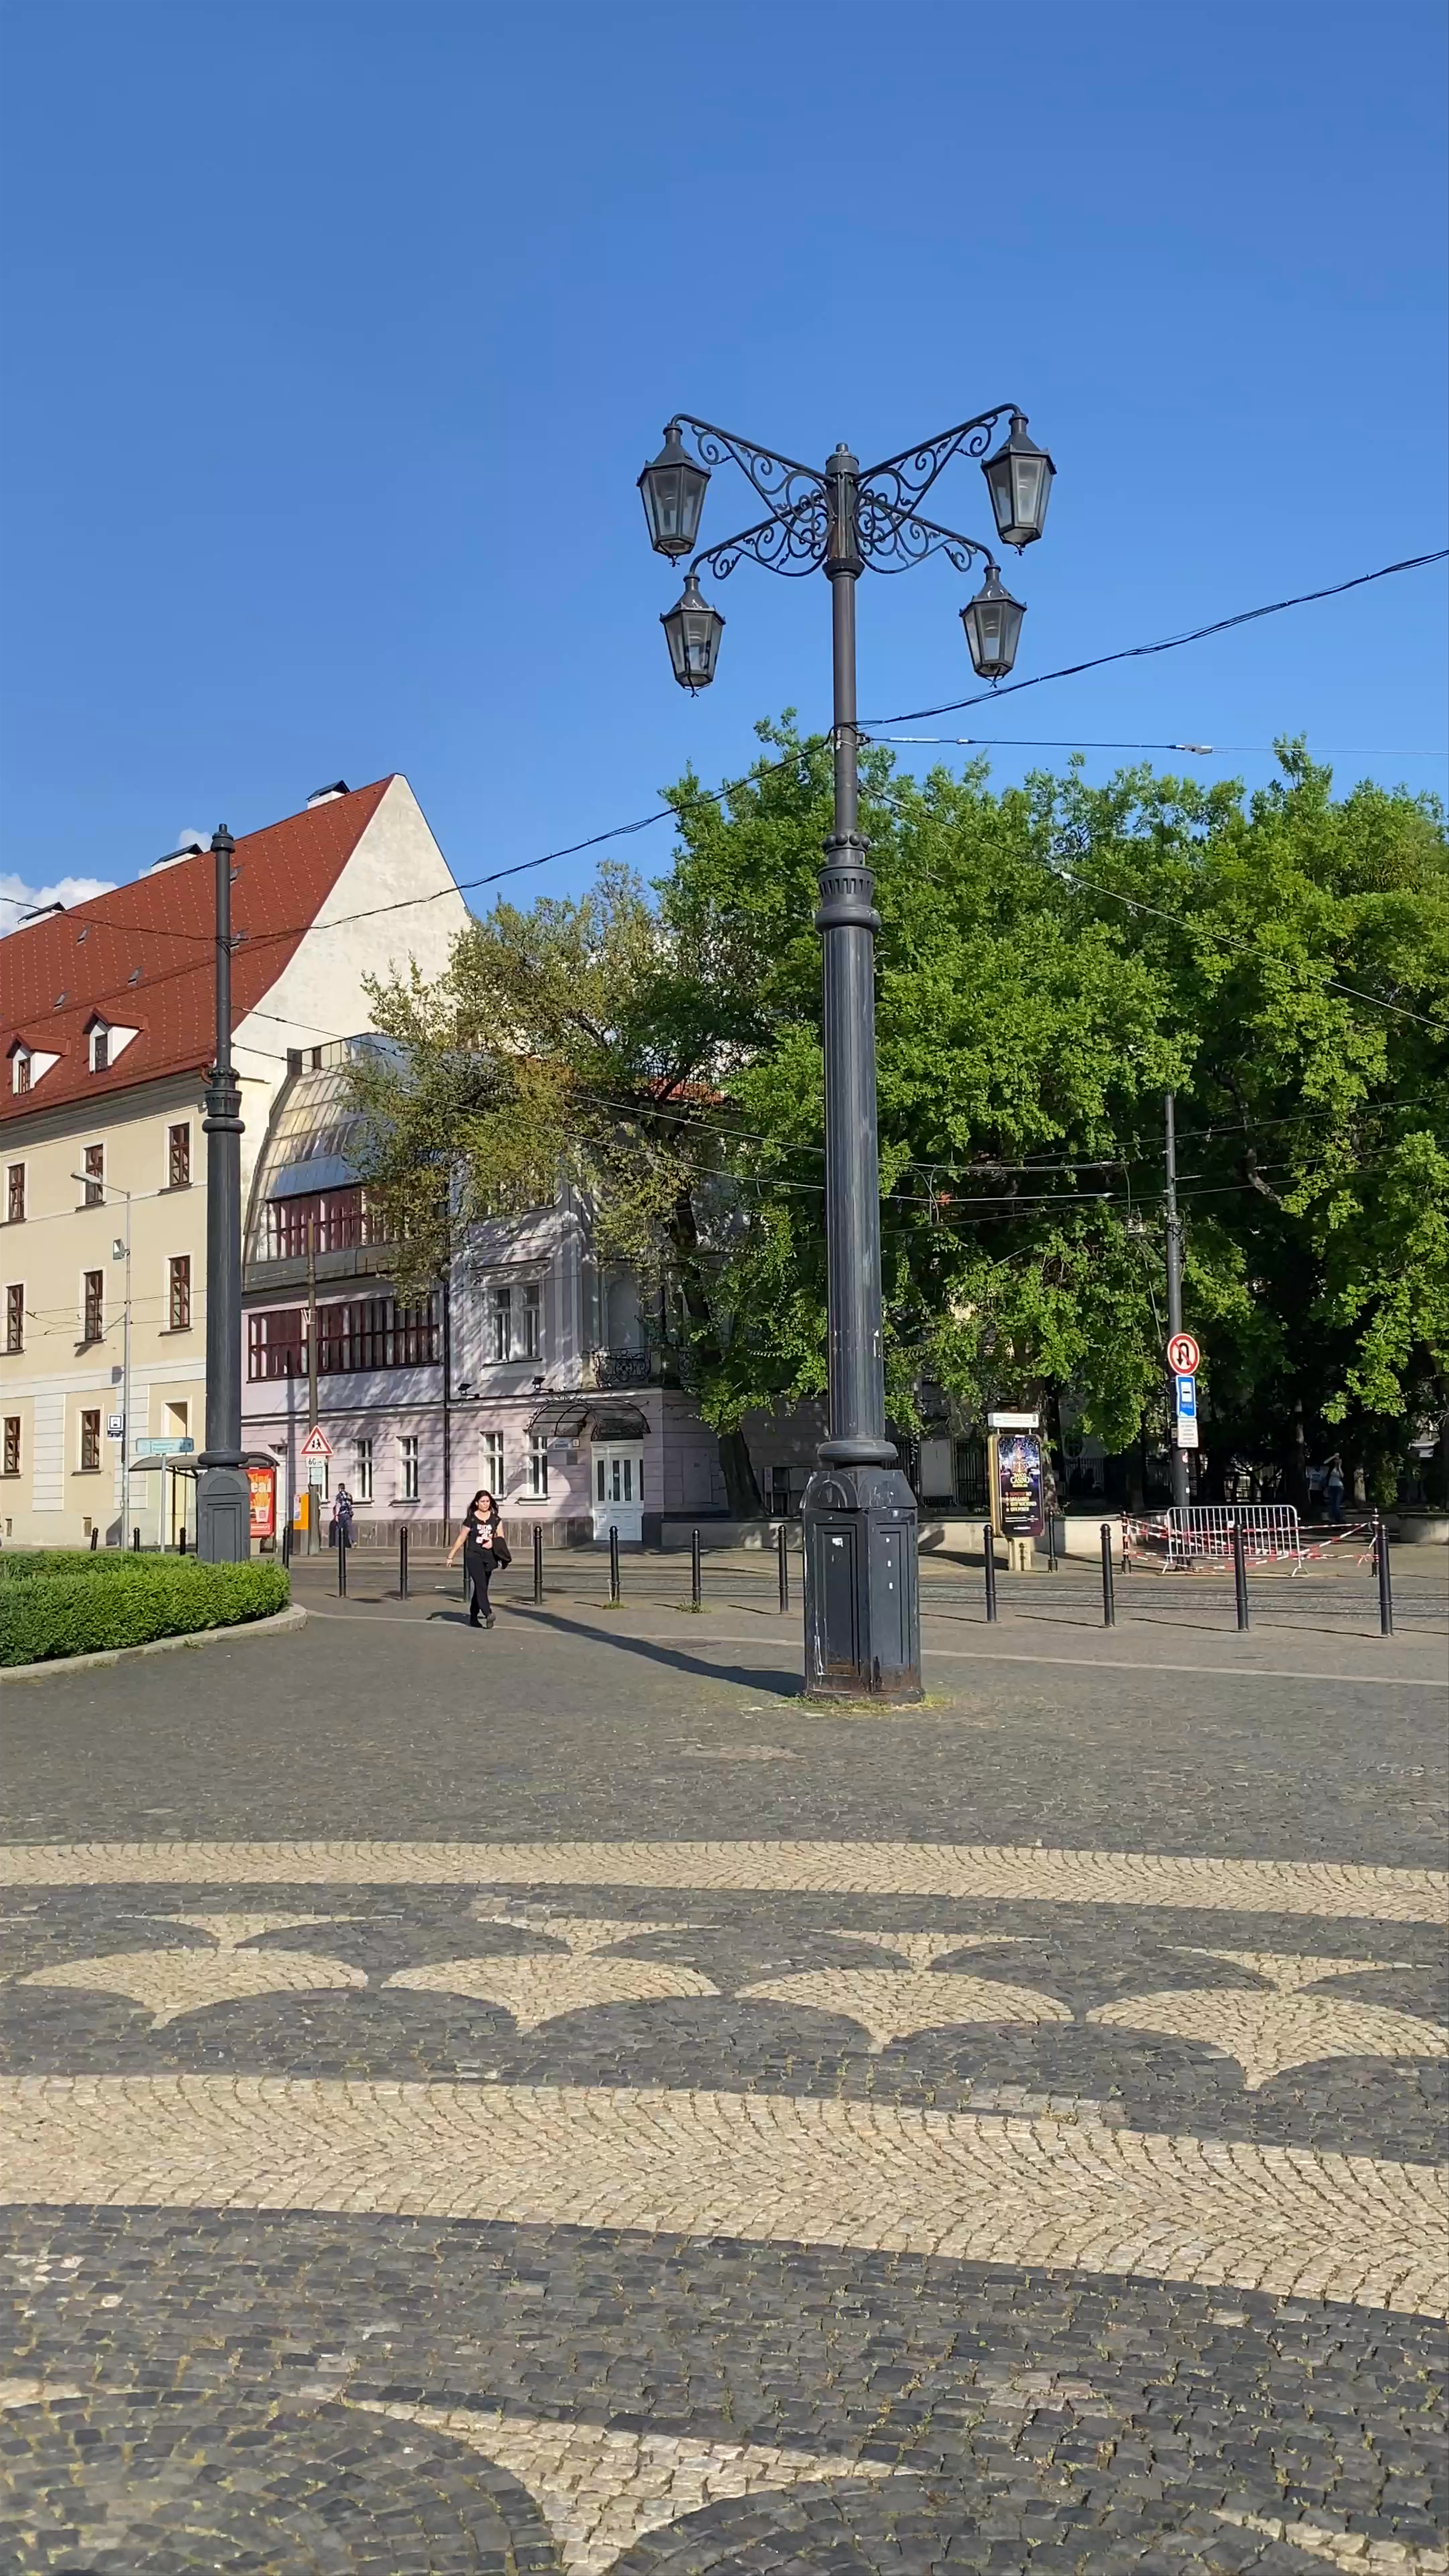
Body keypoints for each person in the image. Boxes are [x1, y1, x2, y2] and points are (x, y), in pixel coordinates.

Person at [447, 1488, 503, 1628]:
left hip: (490, 1557)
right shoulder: (472, 1519)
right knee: (481, 1585)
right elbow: (461, 1538)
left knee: (481, 1588)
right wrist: (451, 1556)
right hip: (474, 1556)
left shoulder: (496, 1520)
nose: (485, 1504)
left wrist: (494, 1542)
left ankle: (473, 1618)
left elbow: (501, 1538)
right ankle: (488, 1613)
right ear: (477, 1503)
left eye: (488, 1501)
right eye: (483, 1502)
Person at [1324, 1453, 1346, 1524]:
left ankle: (1340, 1520)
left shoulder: (1342, 1468)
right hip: (1331, 1487)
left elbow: (1342, 1476)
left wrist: (1339, 1467)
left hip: (1339, 1488)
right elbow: (1325, 1462)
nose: (1337, 1461)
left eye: (1339, 1460)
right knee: (1332, 1506)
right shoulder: (1331, 1468)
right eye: (1336, 1460)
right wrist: (1333, 1456)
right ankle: (1334, 1520)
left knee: (1337, 1505)